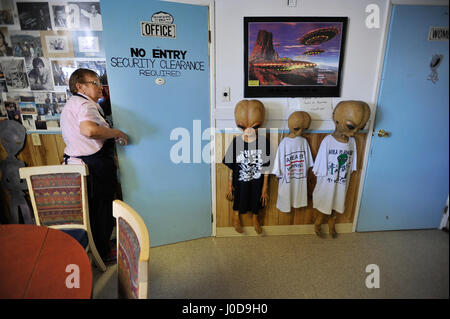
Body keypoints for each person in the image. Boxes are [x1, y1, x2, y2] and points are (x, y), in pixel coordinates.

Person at [60, 68, 128, 263]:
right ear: (79, 86)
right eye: (95, 83)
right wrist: (117, 133)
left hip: (80, 164)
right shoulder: (85, 105)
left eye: (100, 83)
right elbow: (88, 130)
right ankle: (104, 252)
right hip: (94, 166)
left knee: (94, 209)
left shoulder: (73, 104)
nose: (100, 87)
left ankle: (99, 248)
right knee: (102, 209)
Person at [222, 99, 270, 234]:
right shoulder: (236, 142)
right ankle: (235, 217)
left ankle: (256, 218)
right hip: (240, 179)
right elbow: (231, 166)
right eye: (243, 127)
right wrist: (229, 184)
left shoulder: (263, 142)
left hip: (257, 180)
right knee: (239, 196)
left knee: (257, 197)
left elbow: (266, 166)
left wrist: (265, 187)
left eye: (254, 127)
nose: (248, 131)